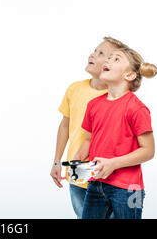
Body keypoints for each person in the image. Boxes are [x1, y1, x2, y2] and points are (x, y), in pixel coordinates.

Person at [74, 45, 157, 219]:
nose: (107, 60)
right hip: (96, 184)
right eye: (108, 57)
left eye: (116, 58)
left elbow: (148, 151)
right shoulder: (93, 105)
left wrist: (114, 163)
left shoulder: (137, 109)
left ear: (129, 75)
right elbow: (88, 140)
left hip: (129, 189)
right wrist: (76, 161)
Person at [50, 36, 127, 218]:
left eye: (101, 53)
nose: (92, 54)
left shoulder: (117, 96)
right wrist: (57, 161)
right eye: (95, 50)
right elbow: (64, 127)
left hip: (107, 176)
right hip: (77, 173)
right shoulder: (74, 89)